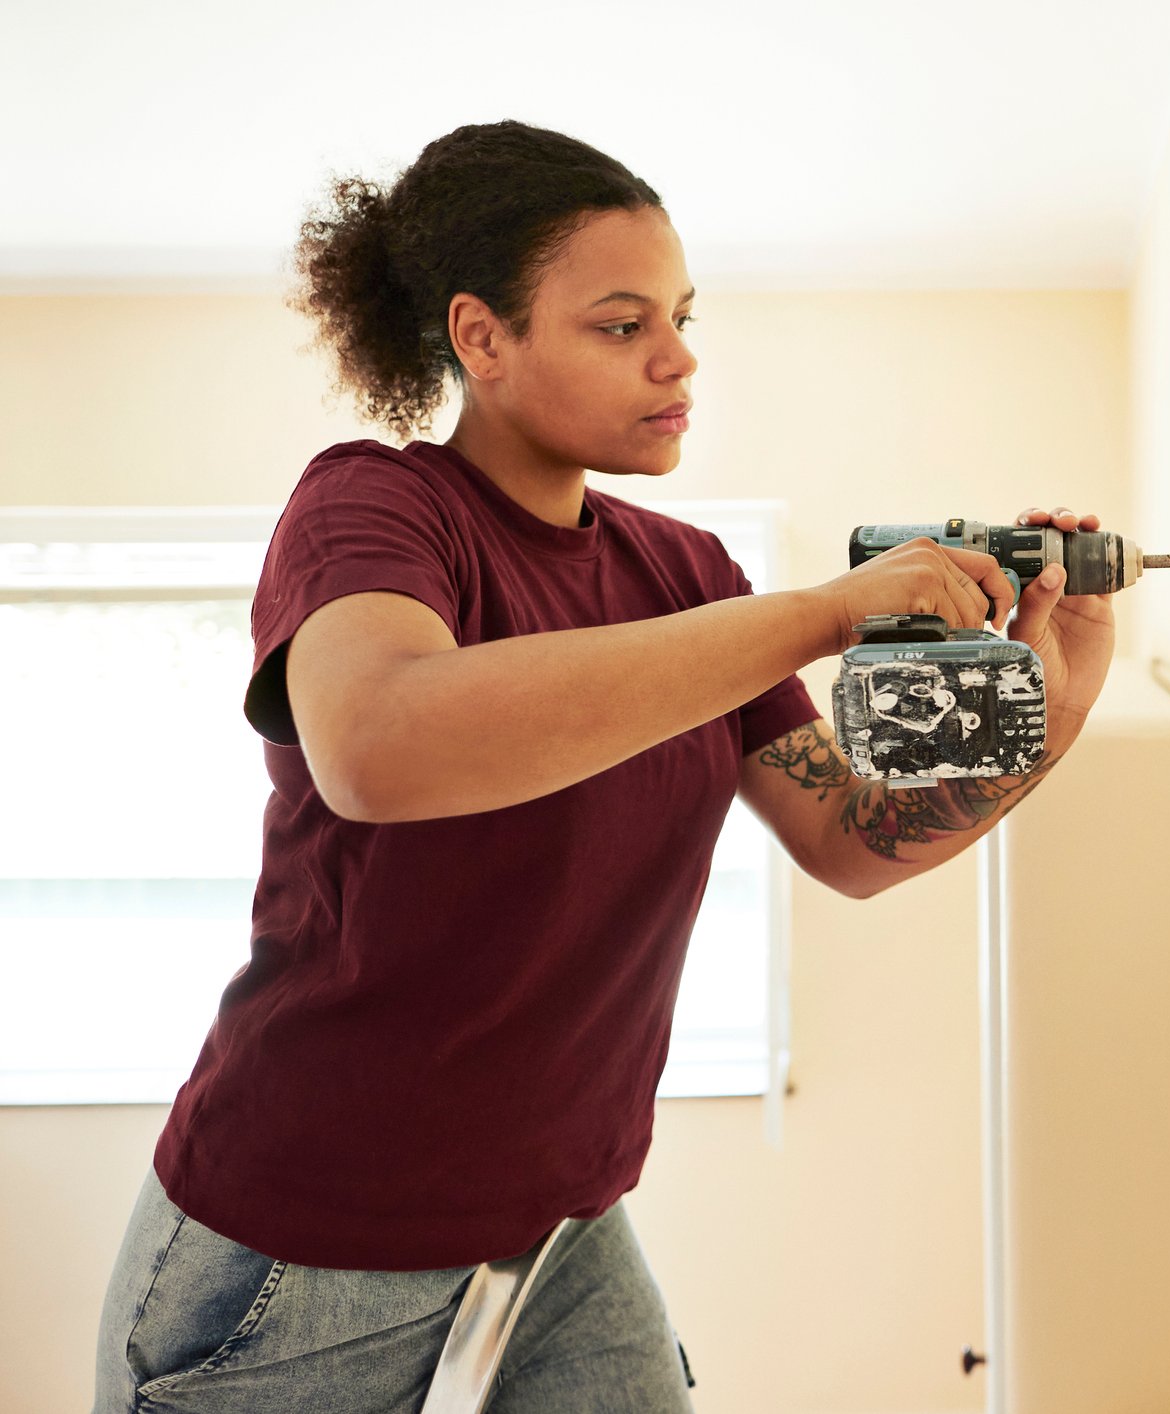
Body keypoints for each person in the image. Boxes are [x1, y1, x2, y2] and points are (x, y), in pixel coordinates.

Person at [91, 118, 1115, 1411]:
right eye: (621, 324)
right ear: (482, 338)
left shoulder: (686, 573)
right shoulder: (375, 508)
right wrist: (826, 608)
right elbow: (378, 743)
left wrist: (1050, 701)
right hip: (304, 1232)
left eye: (680, 317)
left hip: (562, 1223)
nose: (679, 358)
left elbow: (849, 836)